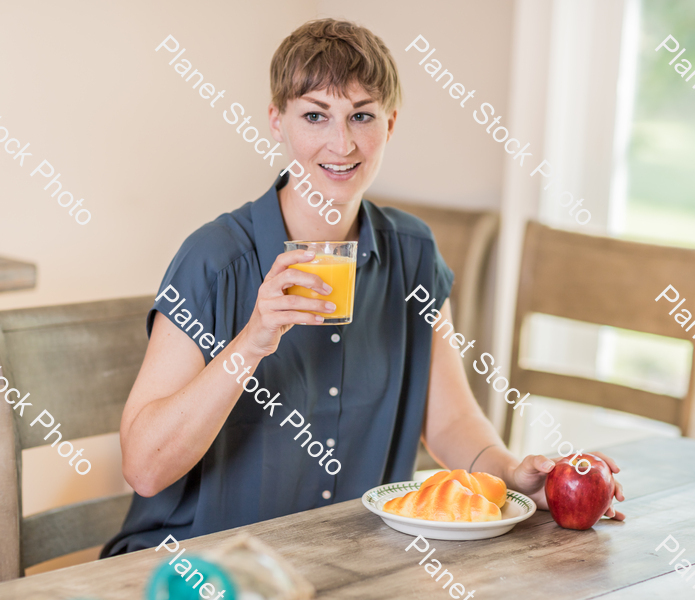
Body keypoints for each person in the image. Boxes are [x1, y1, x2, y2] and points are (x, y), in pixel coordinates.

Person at [102, 18, 624, 557]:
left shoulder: (413, 253)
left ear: (390, 124)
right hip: (198, 565)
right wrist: (252, 342)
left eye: (361, 116)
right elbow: (144, 468)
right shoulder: (215, 260)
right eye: (314, 115)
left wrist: (511, 475)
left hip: (351, 565)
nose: (342, 142)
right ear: (277, 122)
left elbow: (449, 422)